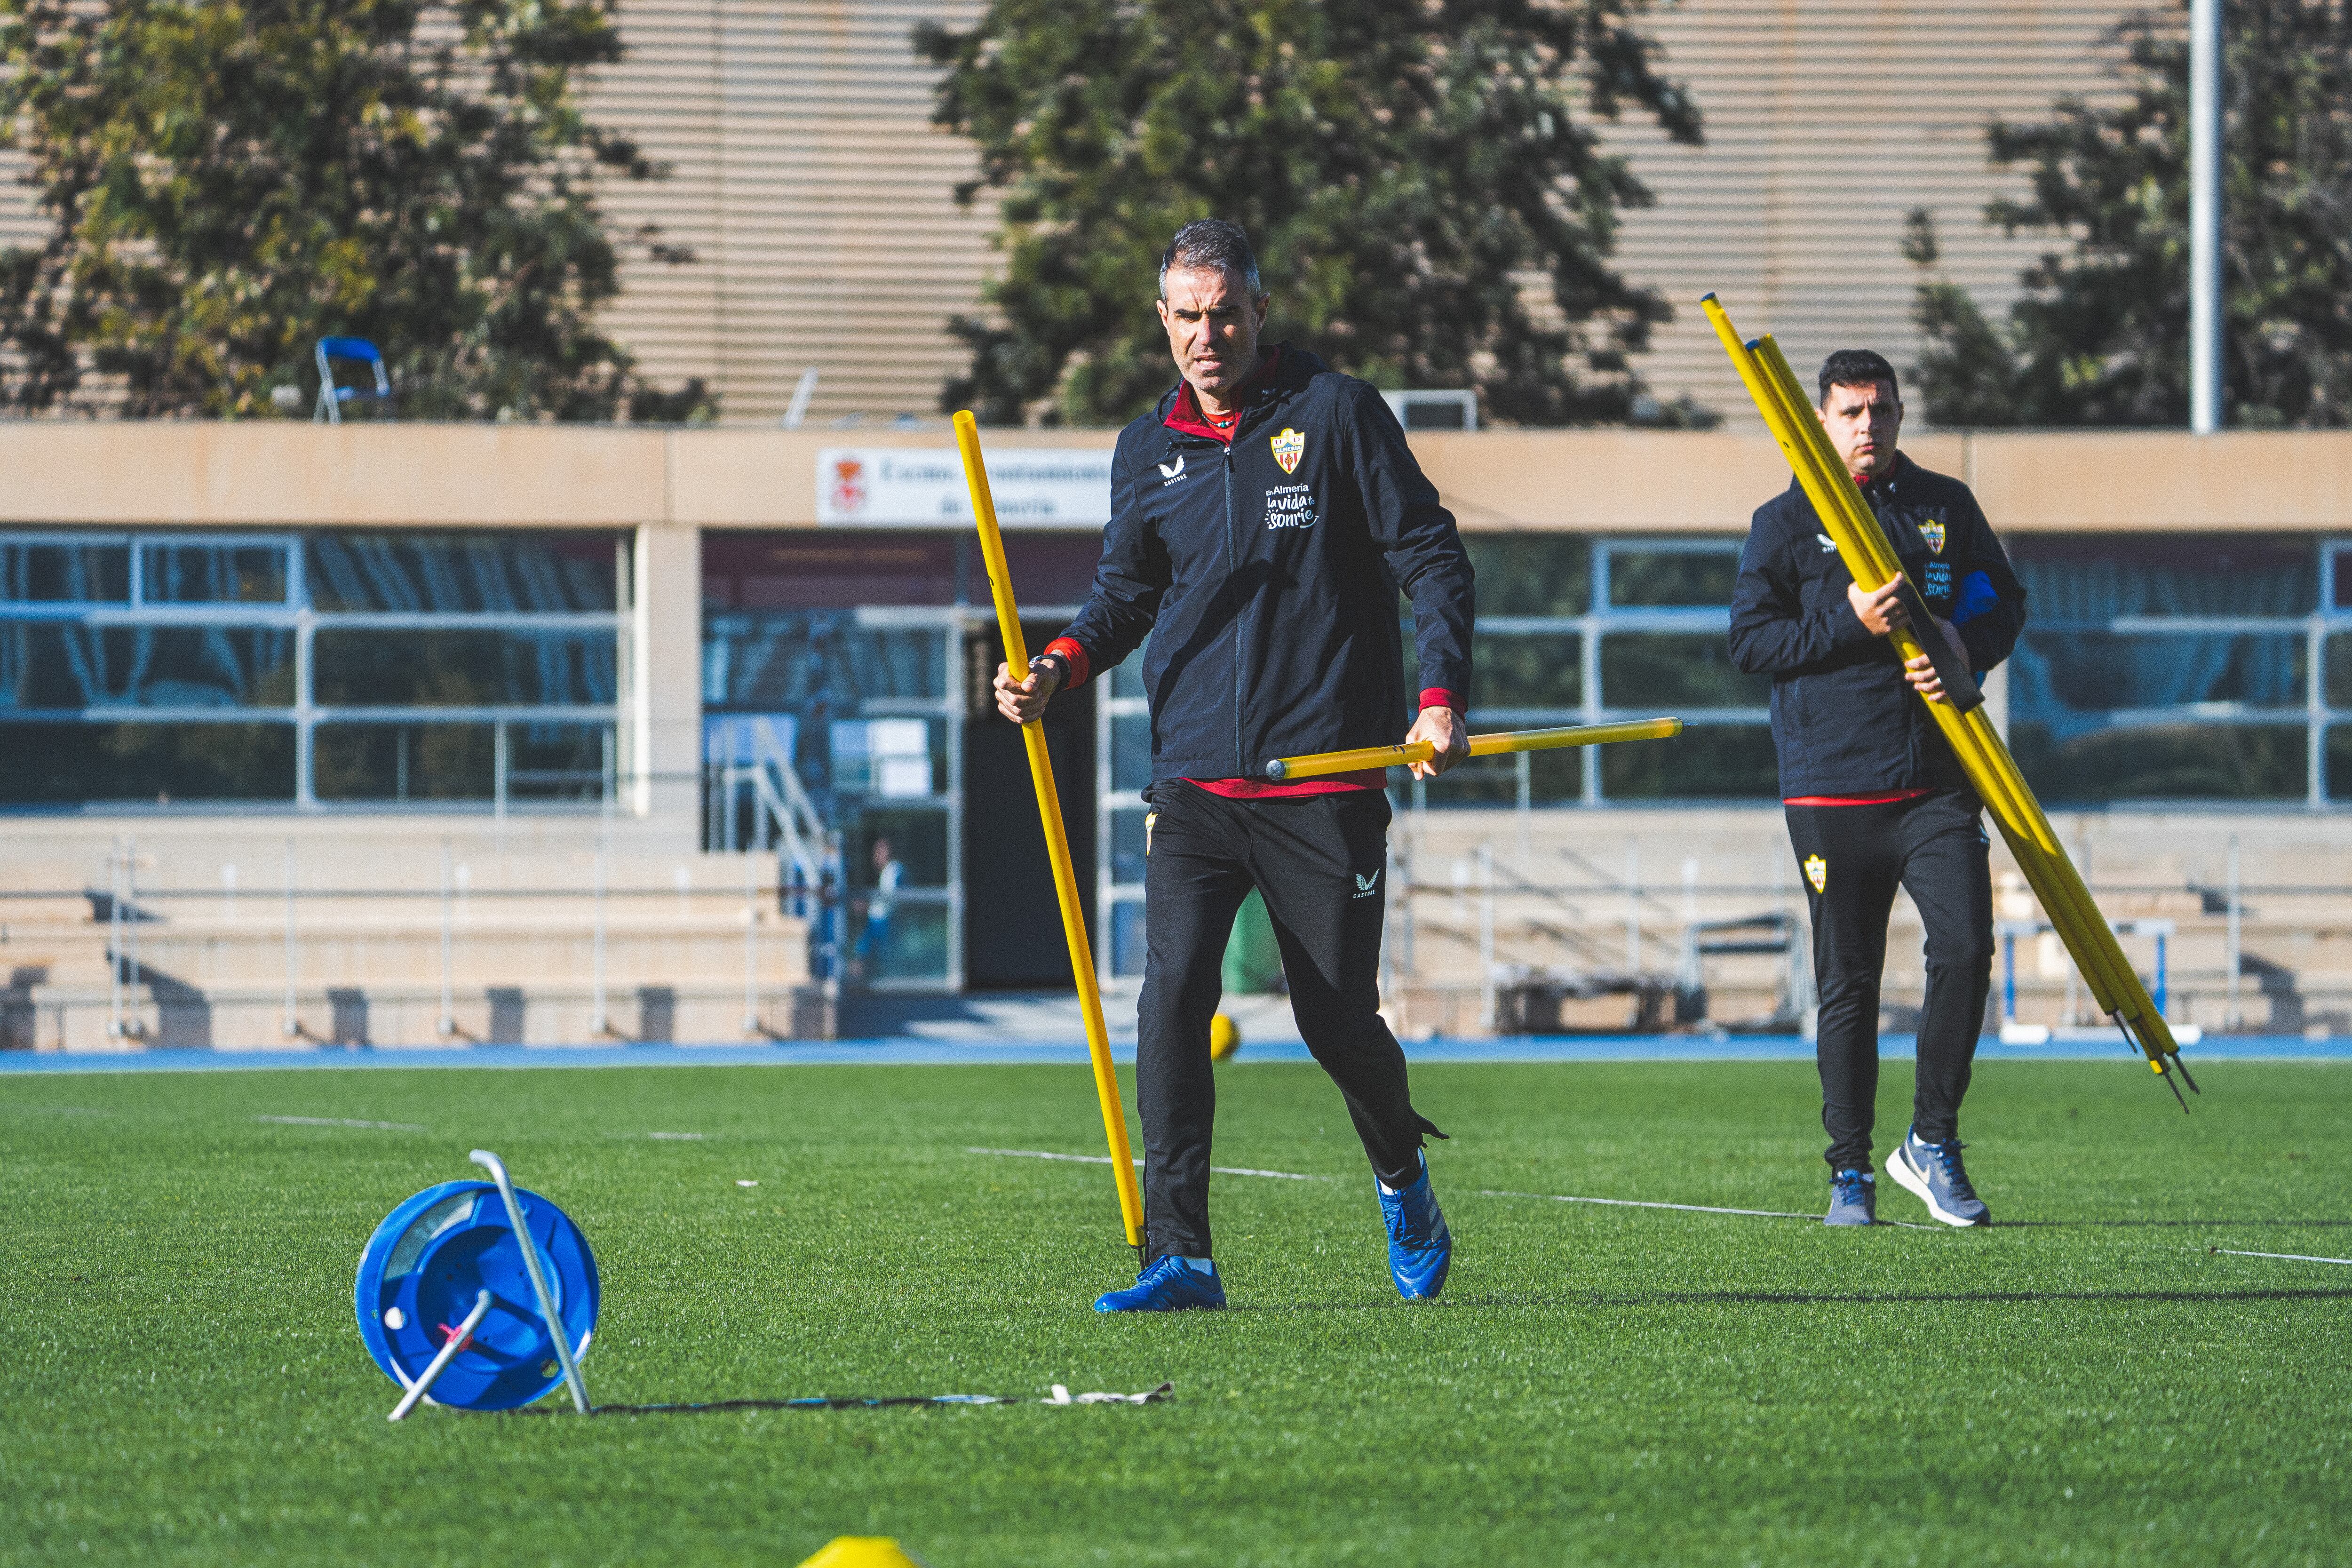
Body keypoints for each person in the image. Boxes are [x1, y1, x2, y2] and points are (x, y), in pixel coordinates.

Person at [993, 218, 1475, 1310]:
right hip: (1198, 781)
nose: (1205, 336)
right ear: (1160, 320)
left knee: (1332, 1018)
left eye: (1224, 313)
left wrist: (1439, 695)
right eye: (1185, 316)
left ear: (1259, 312)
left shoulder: (1337, 414)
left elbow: (1431, 555)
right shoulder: (1144, 447)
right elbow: (1124, 598)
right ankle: (1181, 1256)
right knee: (1170, 1000)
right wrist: (1057, 667)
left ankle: (1401, 1169)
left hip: (1327, 777)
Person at [1727, 349, 2026, 1229]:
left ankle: (1932, 1140)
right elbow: (1751, 643)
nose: (1869, 428)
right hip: (1832, 787)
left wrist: (1967, 643)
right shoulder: (1785, 521)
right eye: (1852, 413)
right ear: (1822, 420)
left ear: (1900, 415)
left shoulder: (1944, 507)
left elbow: (2002, 599)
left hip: (1937, 784)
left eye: (1883, 411)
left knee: (1967, 949)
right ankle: (1849, 1169)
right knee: (1848, 979)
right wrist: (1847, 621)